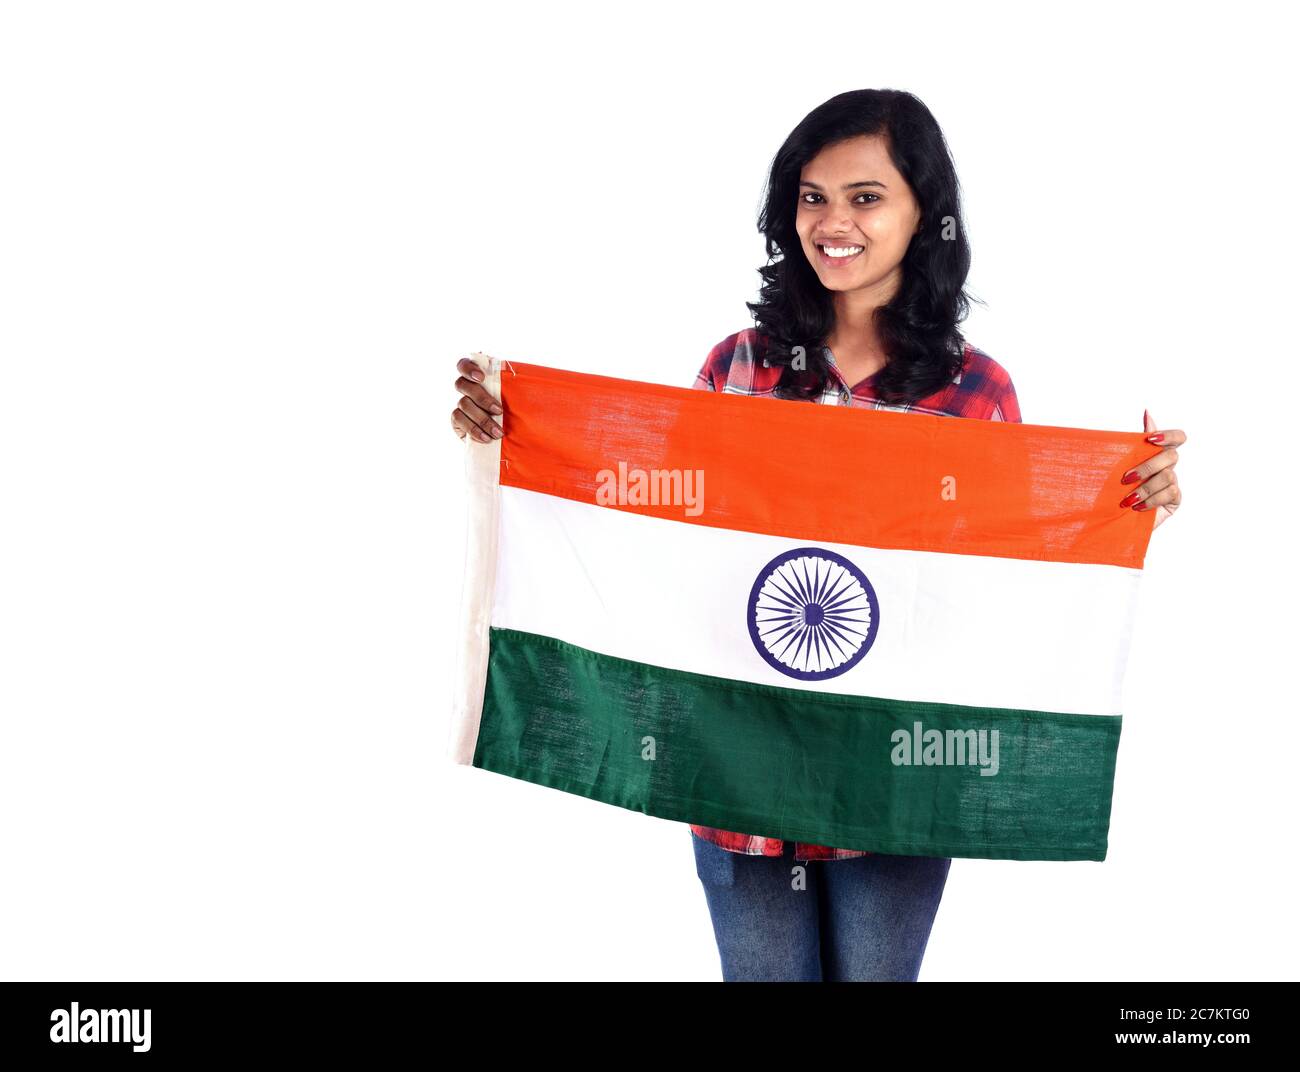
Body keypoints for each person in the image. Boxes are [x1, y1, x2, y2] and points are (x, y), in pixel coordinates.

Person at [449, 88, 1185, 982]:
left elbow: (1013, 573)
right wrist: (517, 440)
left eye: (865, 197)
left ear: (924, 214)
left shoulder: (974, 393)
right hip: (739, 768)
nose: (832, 221)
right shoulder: (739, 367)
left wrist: (1124, 494)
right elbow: (659, 532)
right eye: (812, 195)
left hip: (896, 776)